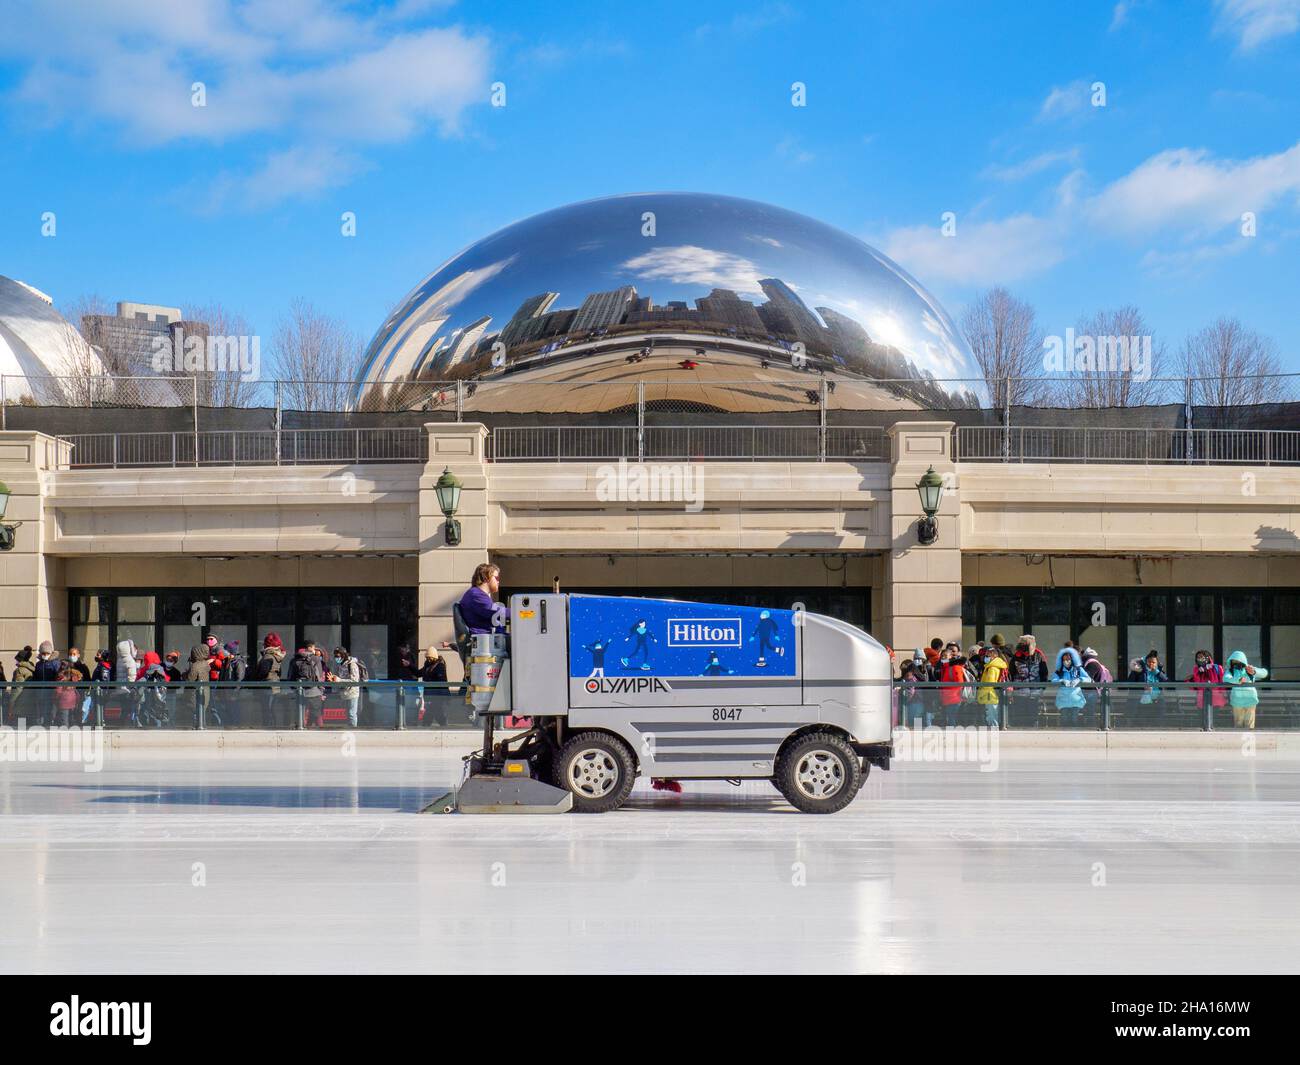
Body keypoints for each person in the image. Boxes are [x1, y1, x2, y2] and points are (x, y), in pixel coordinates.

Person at [1008, 635, 1048, 727]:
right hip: (1019, 690)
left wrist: (1042, 687)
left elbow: (1044, 672)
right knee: (1020, 712)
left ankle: (1033, 730)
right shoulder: (1016, 655)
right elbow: (1012, 672)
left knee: (1033, 712)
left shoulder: (1039, 654)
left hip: (1034, 690)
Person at [1223, 650, 1268, 729]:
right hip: (1237, 701)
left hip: (1250, 700)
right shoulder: (1230, 671)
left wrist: (1254, 671)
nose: (1236, 663)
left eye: (1238, 661)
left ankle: (1249, 740)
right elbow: (1225, 678)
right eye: (1234, 661)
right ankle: (1238, 740)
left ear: (1243, 660)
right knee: (1238, 724)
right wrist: (1238, 680)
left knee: (1249, 725)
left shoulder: (1249, 669)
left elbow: (1264, 673)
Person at [459, 563, 504, 635]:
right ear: (486, 577)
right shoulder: (476, 595)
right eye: (496, 578)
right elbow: (496, 611)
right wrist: (520, 612)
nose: (498, 581)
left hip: (488, 638)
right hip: (486, 641)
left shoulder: (476, 594)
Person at [287, 645, 325, 727]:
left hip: (299, 692)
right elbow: (319, 677)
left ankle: (302, 731)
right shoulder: (315, 659)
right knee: (317, 716)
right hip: (315, 692)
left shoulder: (294, 660)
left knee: (302, 715)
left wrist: (295, 689)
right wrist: (321, 691)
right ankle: (320, 733)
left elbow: (290, 677)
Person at [1051, 647, 1089, 726]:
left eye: (1068, 659)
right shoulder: (1059, 671)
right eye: (1064, 660)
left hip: (1076, 700)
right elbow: (1053, 680)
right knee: (1064, 719)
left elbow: (1088, 679)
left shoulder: (1078, 670)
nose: (1066, 661)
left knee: (1074, 719)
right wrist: (1061, 681)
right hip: (1063, 701)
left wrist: (1079, 679)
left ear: (1072, 659)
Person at [328, 646, 362, 727]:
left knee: (352, 714)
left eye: (338, 656)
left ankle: (353, 730)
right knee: (348, 713)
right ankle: (349, 728)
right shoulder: (341, 664)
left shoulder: (352, 665)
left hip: (352, 692)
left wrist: (339, 680)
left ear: (343, 655)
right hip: (344, 692)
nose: (336, 658)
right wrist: (334, 679)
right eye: (335, 656)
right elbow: (341, 678)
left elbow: (354, 681)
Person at [977, 645, 1009, 728]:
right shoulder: (997, 666)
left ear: (993, 656)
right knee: (994, 713)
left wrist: (981, 694)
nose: (985, 657)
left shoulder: (992, 668)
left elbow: (989, 684)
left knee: (991, 715)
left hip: (990, 695)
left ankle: (993, 730)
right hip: (994, 694)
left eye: (987, 656)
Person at [1187, 650, 1227, 716]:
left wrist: (1223, 695)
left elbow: (1222, 682)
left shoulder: (1217, 668)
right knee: (1202, 720)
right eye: (1198, 657)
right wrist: (1196, 674)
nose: (1200, 659)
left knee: (1214, 719)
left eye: (1202, 657)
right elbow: (1196, 684)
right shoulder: (1196, 669)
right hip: (1201, 699)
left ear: (1208, 658)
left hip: (1215, 698)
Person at [936, 644, 967, 728]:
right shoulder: (944, 668)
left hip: (954, 699)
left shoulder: (954, 667)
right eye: (942, 656)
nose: (943, 658)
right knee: (949, 721)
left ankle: (952, 739)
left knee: (951, 722)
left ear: (950, 657)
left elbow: (960, 683)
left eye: (945, 656)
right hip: (946, 699)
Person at [417, 646, 449, 727]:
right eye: (427, 658)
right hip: (430, 694)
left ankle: (441, 725)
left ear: (434, 657)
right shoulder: (427, 666)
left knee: (435, 712)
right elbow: (418, 673)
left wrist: (428, 679)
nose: (428, 660)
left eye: (430, 658)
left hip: (438, 695)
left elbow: (441, 681)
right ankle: (440, 725)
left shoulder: (440, 666)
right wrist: (409, 665)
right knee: (434, 713)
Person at [34, 640, 63, 726]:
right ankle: (43, 723)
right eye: (43, 653)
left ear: (51, 653)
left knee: (51, 708)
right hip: (40, 691)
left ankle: (50, 723)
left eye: (47, 653)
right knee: (42, 708)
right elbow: (36, 677)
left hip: (51, 691)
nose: (45, 655)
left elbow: (59, 677)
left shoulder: (55, 663)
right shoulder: (39, 664)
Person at [184, 644, 212, 727]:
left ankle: (197, 726)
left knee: (196, 712)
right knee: (202, 710)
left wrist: (185, 675)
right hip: (206, 691)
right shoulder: (205, 664)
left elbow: (190, 679)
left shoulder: (196, 666)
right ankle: (203, 725)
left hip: (195, 692)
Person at [9, 646, 35, 725]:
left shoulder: (19, 671)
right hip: (31, 704)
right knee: (29, 730)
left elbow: (17, 690)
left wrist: (11, 704)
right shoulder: (31, 668)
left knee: (20, 730)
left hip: (20, 705)